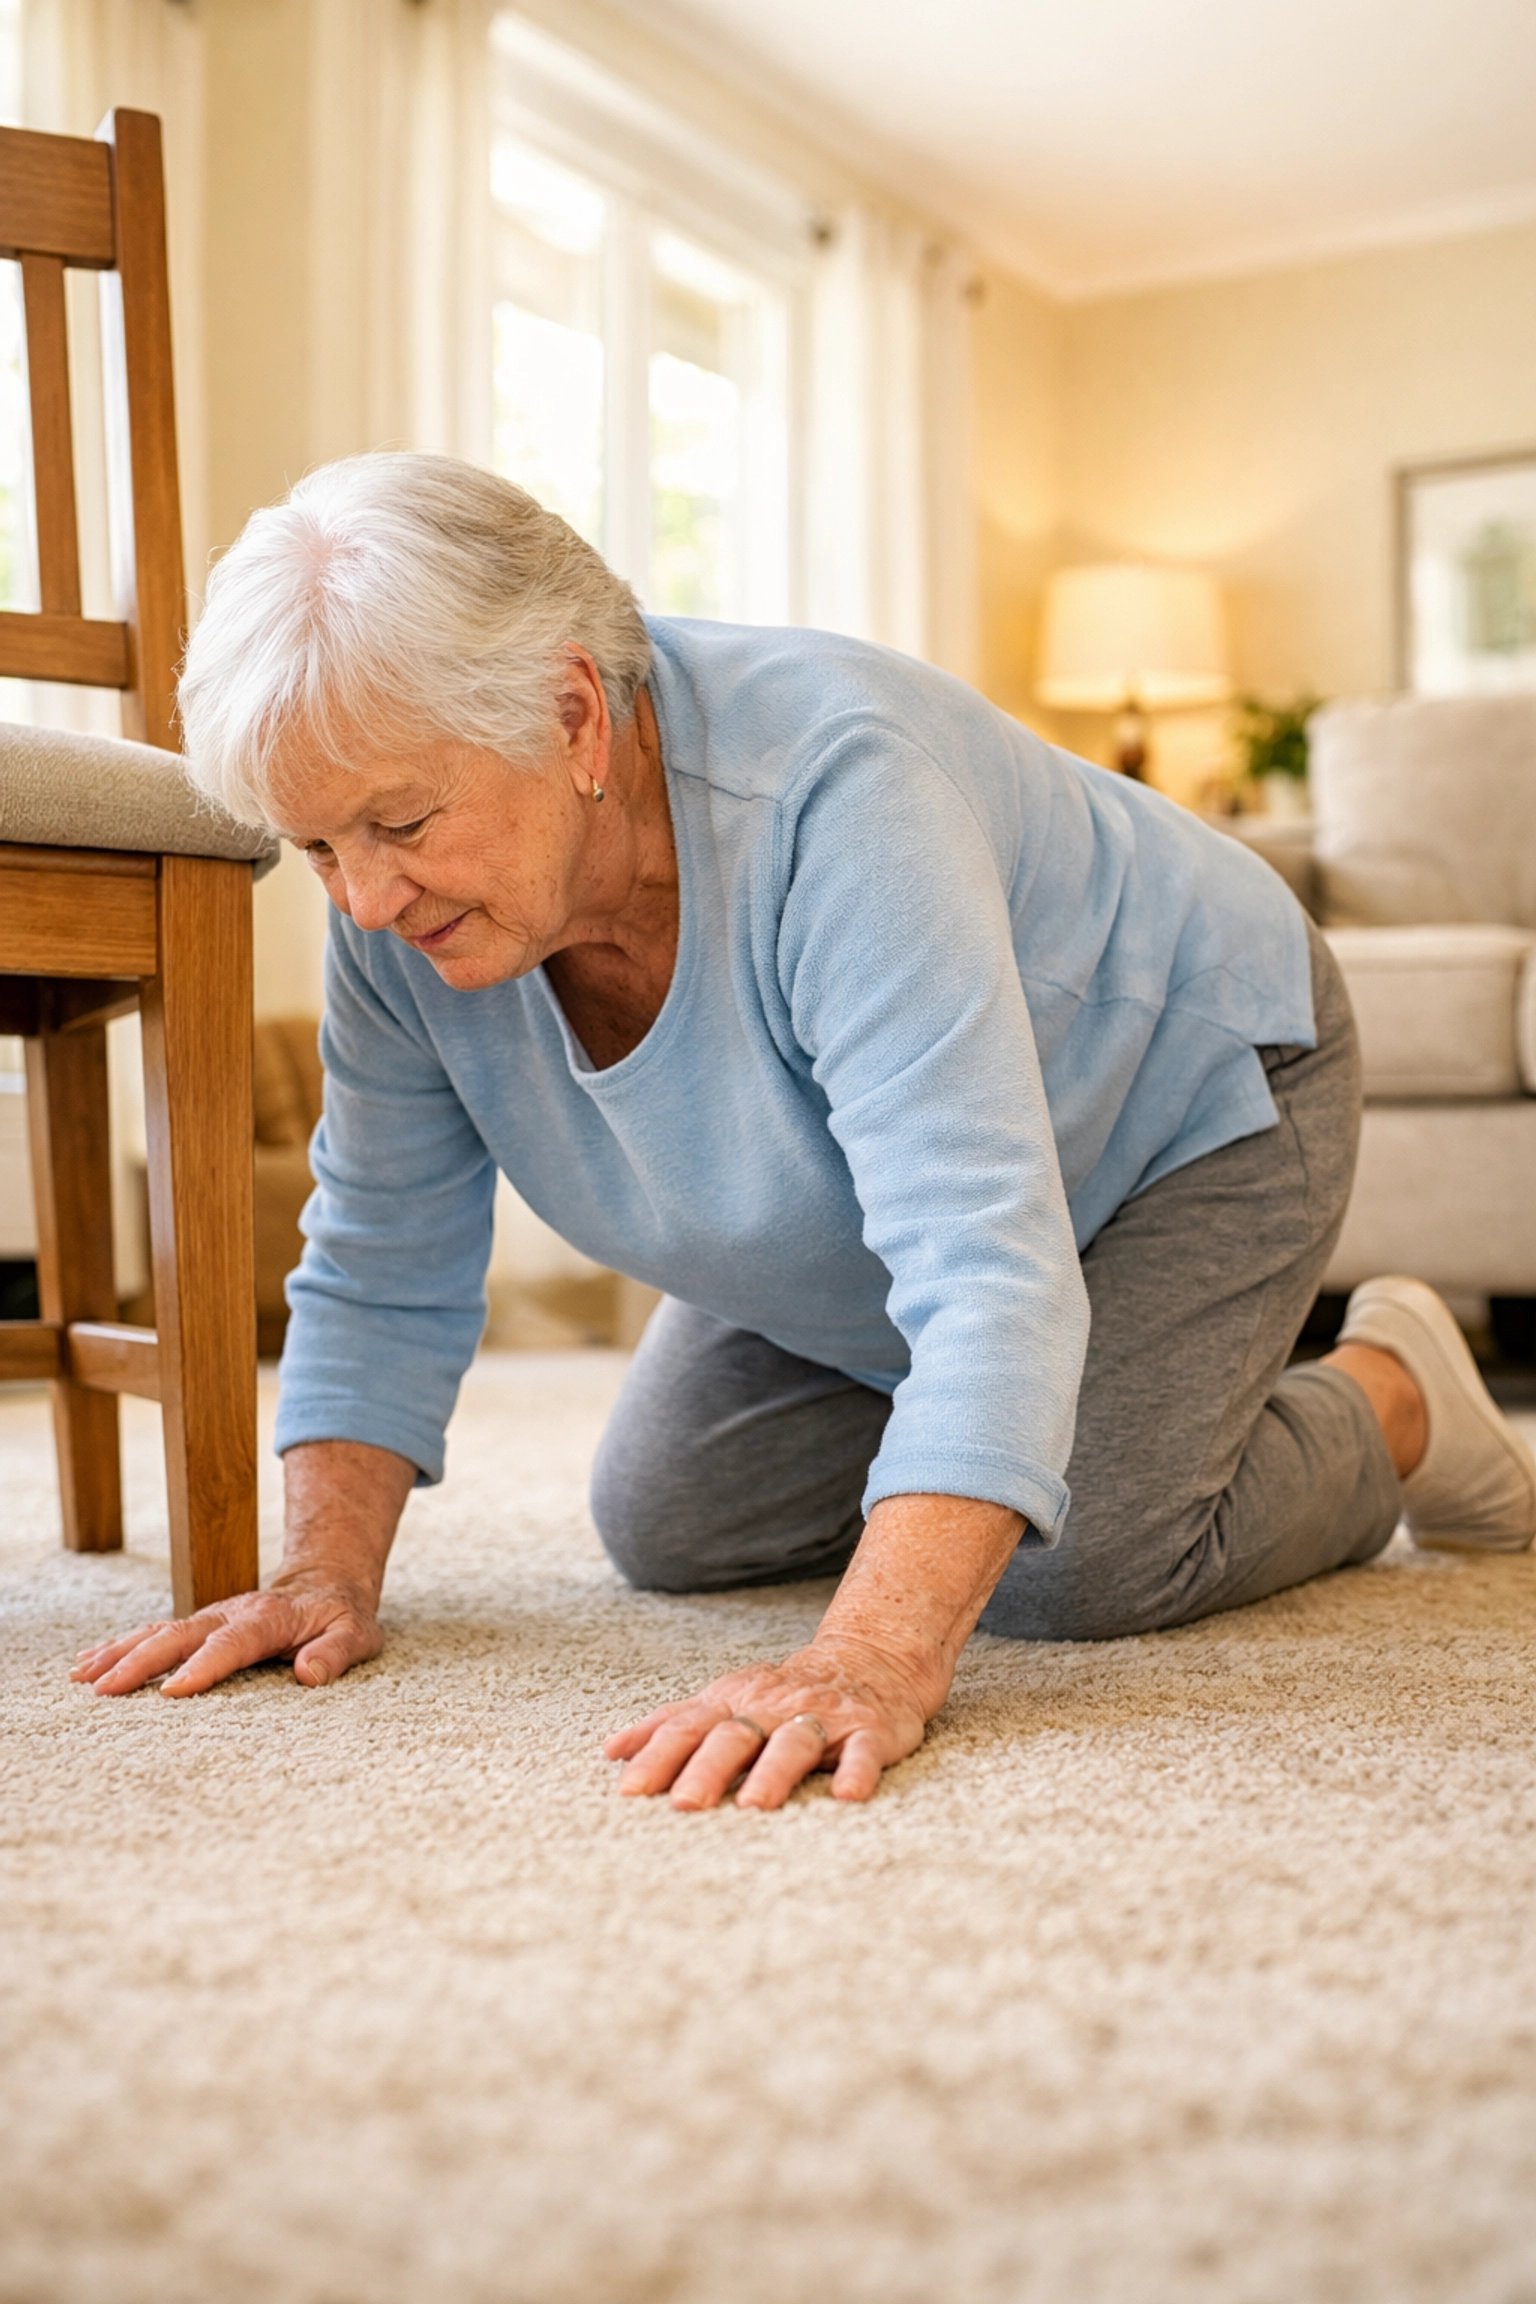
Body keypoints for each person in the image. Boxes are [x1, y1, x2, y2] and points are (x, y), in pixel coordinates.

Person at [73, 453, 1536, 1810]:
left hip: (1197, 1087)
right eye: (317, 847)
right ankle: (1034, 1413)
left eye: (398, 824)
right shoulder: (397, 926)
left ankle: (1388, 1391)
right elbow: (379, 1248)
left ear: (575, 715)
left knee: (1076, 1565)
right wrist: (323, 1570)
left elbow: (979, 1257)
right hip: (857, 1208)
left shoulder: (839, 794)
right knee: (672, 1521)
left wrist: (873, 1652)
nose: (365, 901)